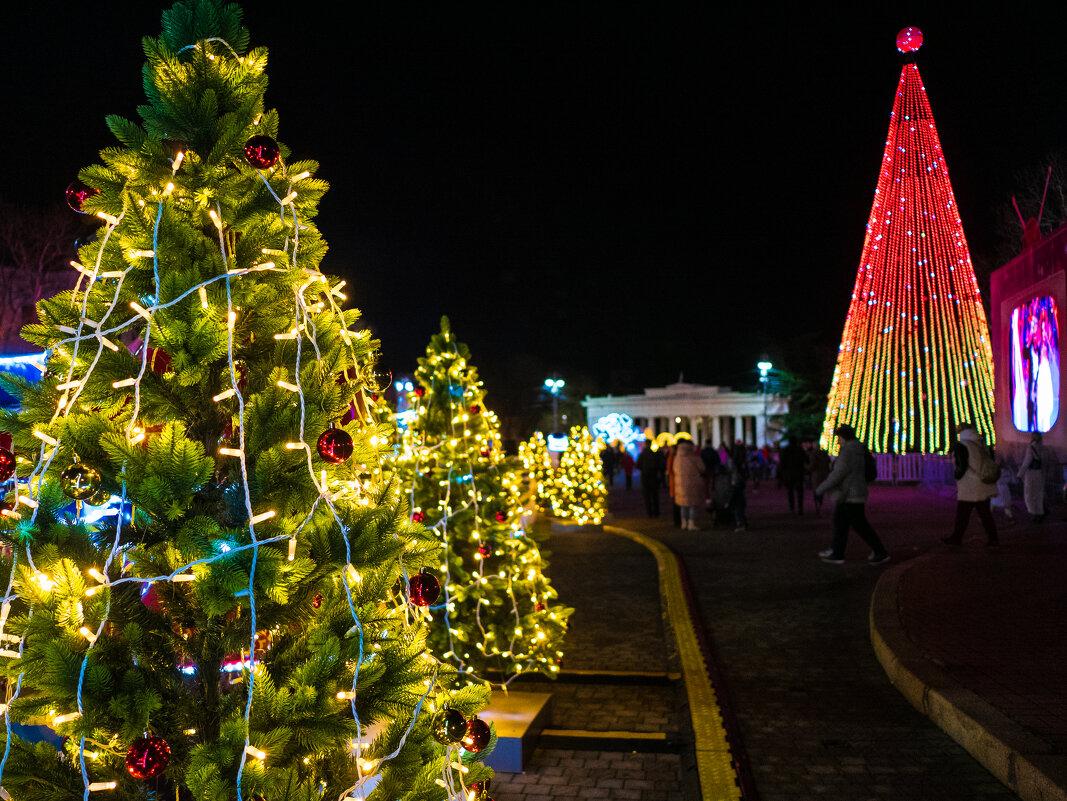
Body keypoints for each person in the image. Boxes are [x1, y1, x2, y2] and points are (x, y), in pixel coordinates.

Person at [814, 424, 890, 565]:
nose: (837, 441)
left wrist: (820, 489)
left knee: (858, 525)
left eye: (838, 437)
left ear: (843, 437)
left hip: (850, 494)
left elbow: (838, 474)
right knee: (840, 523)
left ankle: (880, 552)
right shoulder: (857, 449)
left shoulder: (848, 452)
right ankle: (837, 552)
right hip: (851, 493)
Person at [942, 422, 999, 546]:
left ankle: (956, 538)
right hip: (984, 482)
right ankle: (993, 538)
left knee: (962, 514)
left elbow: (961, 466)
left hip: (969, 485)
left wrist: (957, 475)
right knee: (985, 513)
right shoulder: (982, 443)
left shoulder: (962, 445)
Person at [672, 437, 706, 530]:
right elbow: (702, 468)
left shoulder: (677, 457)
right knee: (692, 505)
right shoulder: (694, 457)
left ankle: (684, 523)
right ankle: (691, 523)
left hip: (680, 484)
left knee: (683, 504)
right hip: (692, 483)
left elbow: (674, 469)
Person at [1017, 431, 1047, 522]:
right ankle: (1040, 512)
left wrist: (1019, 474)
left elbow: (1027, 462)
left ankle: (1033, 513)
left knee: (1029, 494)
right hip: (1039, 472)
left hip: (1031, 473)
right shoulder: (1042, 448)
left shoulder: (1031, 447)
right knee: (1038, 493)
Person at [778, 439, 809, 514]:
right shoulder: (800, 450)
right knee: (799, 492)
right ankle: (800, 508)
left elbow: (782, 462)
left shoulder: (786, 450)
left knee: (790, 491)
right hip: (798, 472)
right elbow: (806, 460)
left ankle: (792, 508)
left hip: (789, 473)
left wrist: (782, 473)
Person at [635, 439, 660, 517]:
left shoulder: (642, 454)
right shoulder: (654, 454)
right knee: (655, 495)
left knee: (647, 495)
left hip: (645, 476)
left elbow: (638, 465)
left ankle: (649, 512)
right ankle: (656, 511)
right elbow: (659, 465)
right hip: (653, 476)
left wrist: (644, 468)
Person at [728, 449, 749, 531]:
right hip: (739, 484)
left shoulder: (731, 462)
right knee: (739, 507)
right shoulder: (737, 461)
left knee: (737, 508)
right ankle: (742, 522)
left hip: (736, 485)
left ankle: (740, 523)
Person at [808, 445, 831, 515]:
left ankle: (817, 504)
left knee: (816, 490)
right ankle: (820, 503)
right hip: (824, 474)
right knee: (821, 490)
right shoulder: (824, 455)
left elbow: (812, 466)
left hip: (816, 474)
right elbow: (828, 464)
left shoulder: (814, 455)